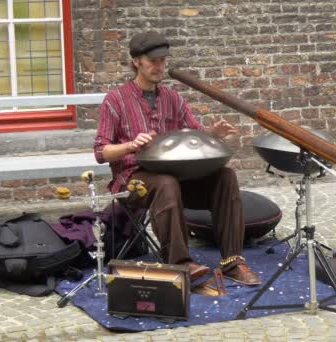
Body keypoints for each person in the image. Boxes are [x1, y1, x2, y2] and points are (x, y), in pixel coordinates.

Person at [93, 31, 261, 286]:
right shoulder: (115, 100)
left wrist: (212, 134)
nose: (160, 67)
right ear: (137, 61)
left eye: (163, 61)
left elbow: (195, 135)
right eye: (153, 61)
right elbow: (100, 152)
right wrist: (129, 146)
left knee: (225, 176)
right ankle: (181, 265)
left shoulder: (173, 98)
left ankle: (232, 262)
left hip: (178, 179)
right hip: (134, 181)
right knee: (165, 182)